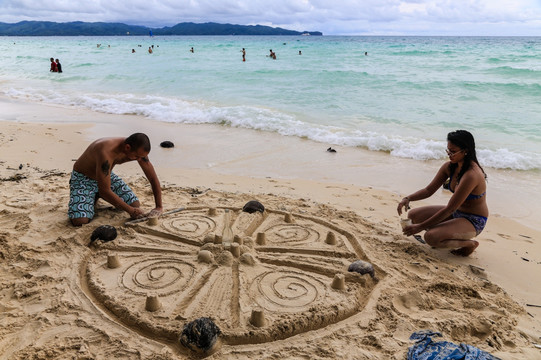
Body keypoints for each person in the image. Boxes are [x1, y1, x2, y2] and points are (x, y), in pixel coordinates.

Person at [397, 130, 488, 256]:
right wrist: (408, 198)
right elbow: (429, 190)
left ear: (465, 150)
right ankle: (444, 231)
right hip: (456, 213)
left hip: (473, 220)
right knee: (413, 215)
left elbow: (449, 209)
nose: (449, 154)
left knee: (430, 237)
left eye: (453, 151)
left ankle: (470, 244)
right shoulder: (450, 166)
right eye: (448, 150)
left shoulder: (471, 175)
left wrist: (421, 227)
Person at [68, 133, 163, 226]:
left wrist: (158, 207)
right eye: (137, 157)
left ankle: (95, 195)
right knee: (80, 220)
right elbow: (105, 191)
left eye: (141, 157)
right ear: (127, 148)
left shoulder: (138, 151)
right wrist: (132, 211)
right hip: (83, 178)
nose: (139, 159)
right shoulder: (106, 151)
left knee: (134, 204)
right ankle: (94, 194)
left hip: (105, 174)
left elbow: (153, 179)